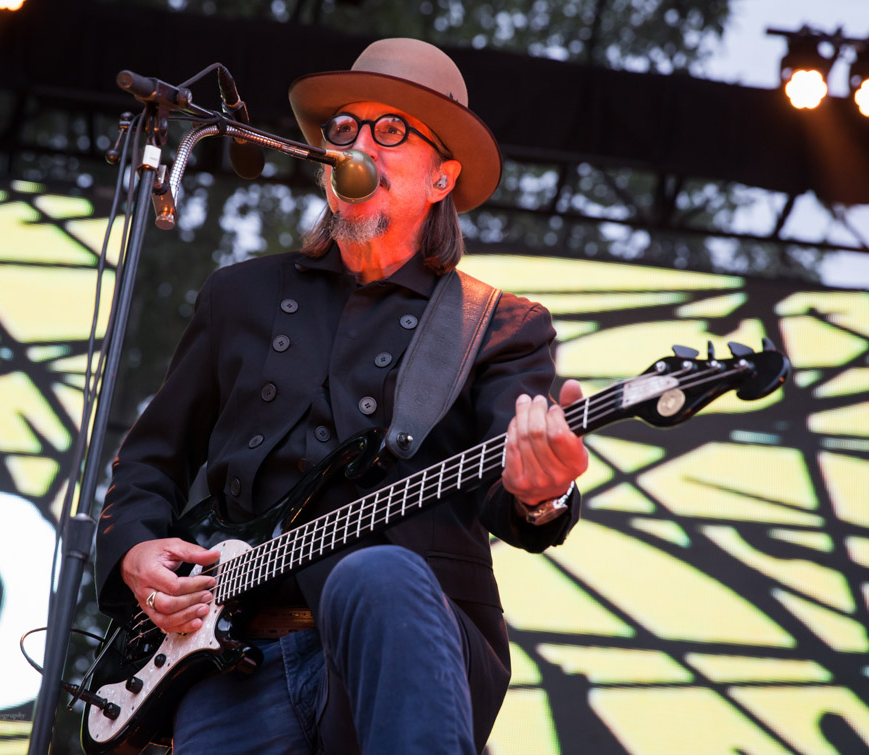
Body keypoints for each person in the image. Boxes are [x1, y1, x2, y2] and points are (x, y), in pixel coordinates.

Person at [95, 37, 589, 754]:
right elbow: (151, 460)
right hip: (226, 659)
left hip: (404, 647)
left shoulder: (499, 326)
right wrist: (135, 549)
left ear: (442, 178)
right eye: (345, 128)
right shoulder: (239, 295)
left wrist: (541, 492)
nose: (359, 144)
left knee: (378, 574)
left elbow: (510, 495)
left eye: (391, 130)